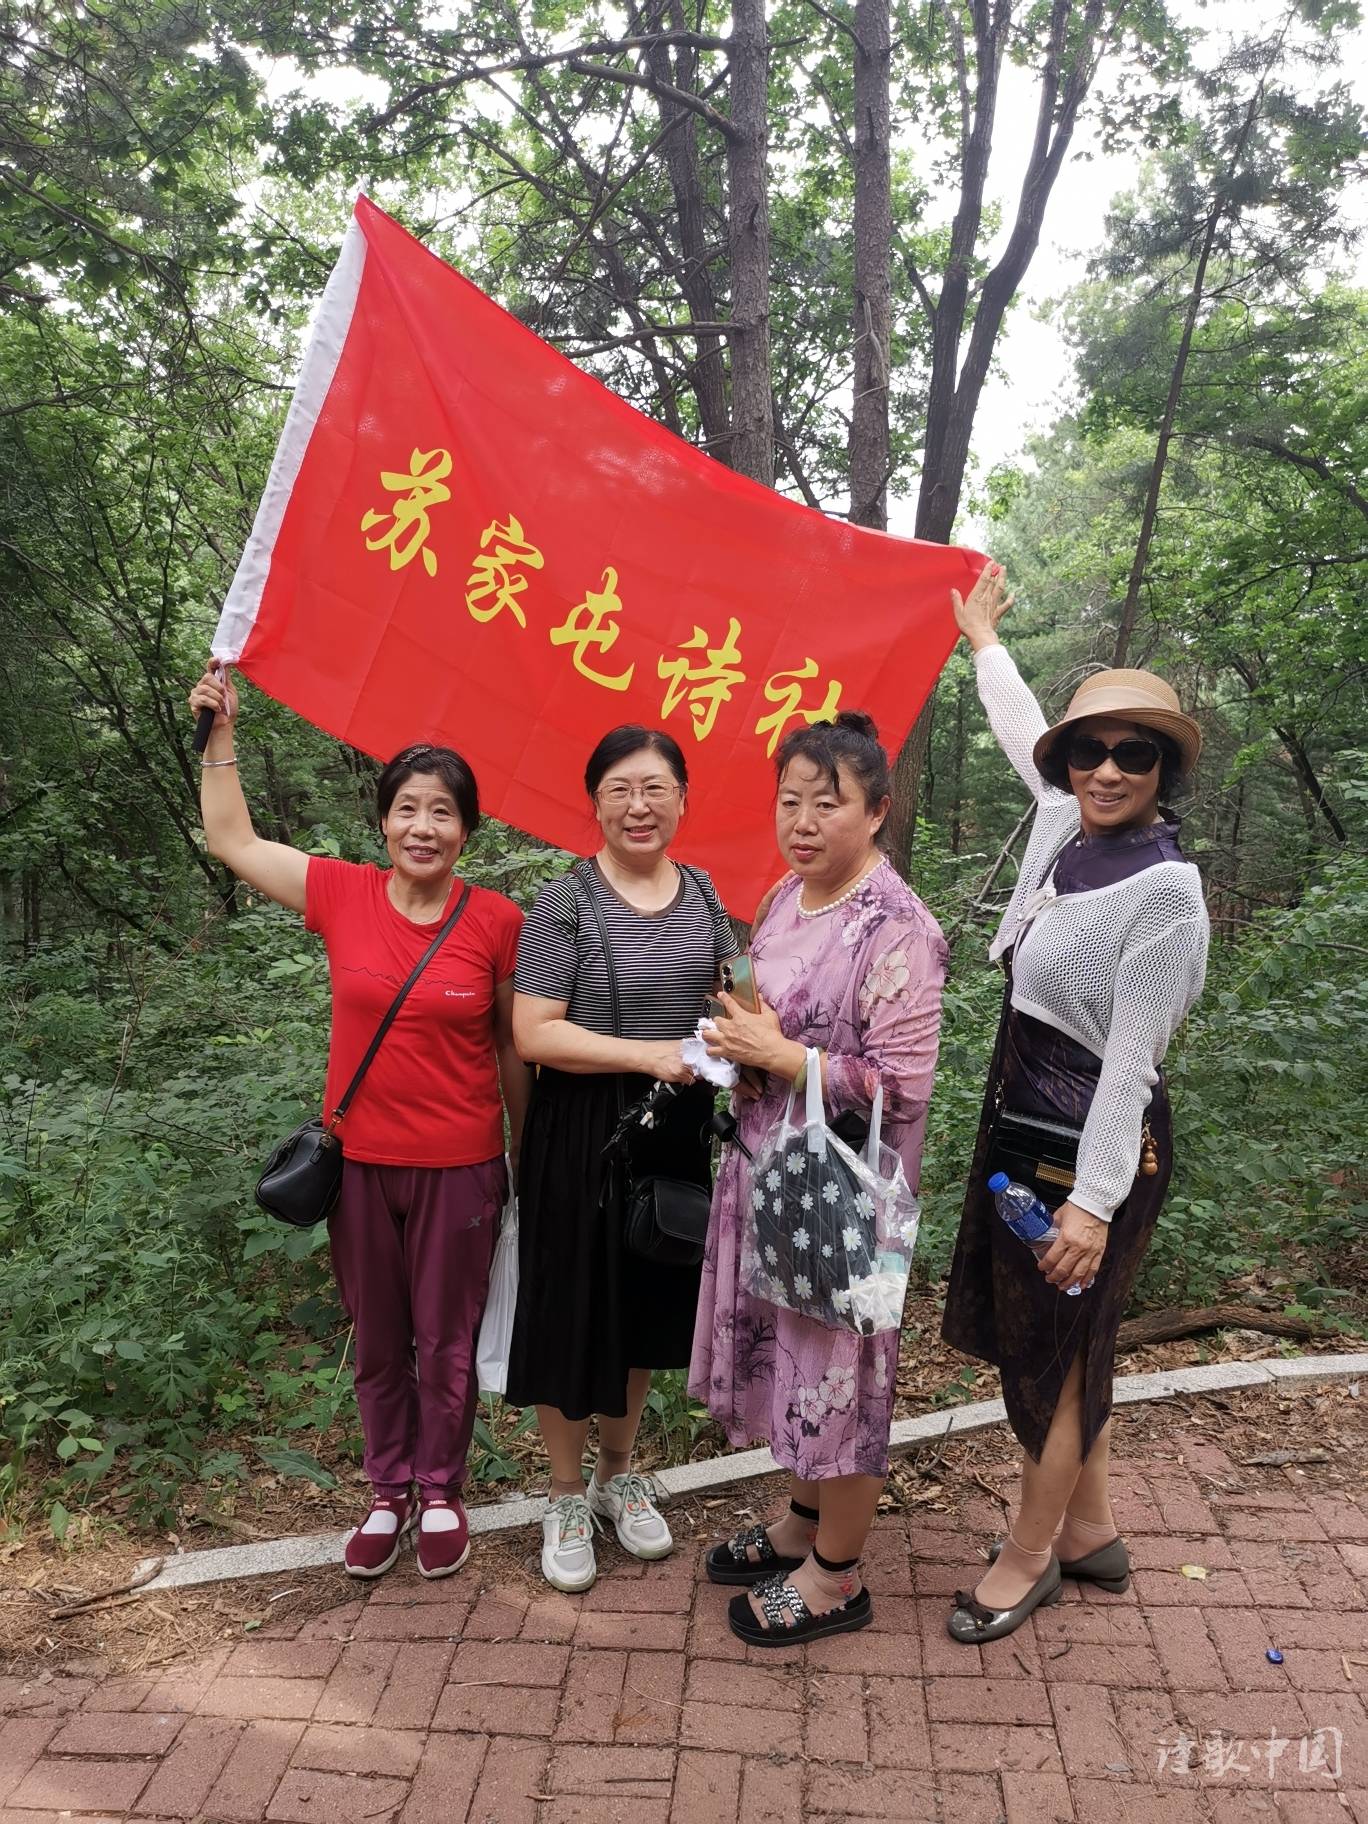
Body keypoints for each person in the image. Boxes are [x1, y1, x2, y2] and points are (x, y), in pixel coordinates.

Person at [187, 663, 528, 1581]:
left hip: (462, 1167)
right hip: (362, 1167)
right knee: (378, 1339)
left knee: (446, 1343)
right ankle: (388, 1493)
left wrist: (522, 1158)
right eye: (408, 808)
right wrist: (222, 734)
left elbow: (511, 1050)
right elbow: (231, 839)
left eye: (443, 812)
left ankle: (443, 1490)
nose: (424, 827)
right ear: (383, 821)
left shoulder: (498, 921)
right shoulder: (341, 894)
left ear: (467, 830)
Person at [939, 565, 1209, 1642]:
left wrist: (1092, 1207)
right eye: (1090, 749)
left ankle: (1029, 1555)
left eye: (1133, 753)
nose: (1106, 769)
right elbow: (1023, 732)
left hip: (1095, 1145)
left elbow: (1130, 1066)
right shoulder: (1065, 828)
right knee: (1064, 1344)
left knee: (1059, 1358)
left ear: (1163, 770)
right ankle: (1091, 1529)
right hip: (1024, 1121)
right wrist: (982, 643)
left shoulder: (1167, 894)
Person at [691, 711, 948, 1646]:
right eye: (789, 800)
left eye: (826, 804)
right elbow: (774, 1023)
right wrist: (741, 1044)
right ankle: (803, 1522)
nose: (801, 822)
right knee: (796, 1367)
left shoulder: (898, 928)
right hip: (773, 1175)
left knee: (841, 1376)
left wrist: (783, 1055)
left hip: (844, 1199)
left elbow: (904, 1087)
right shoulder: (786, 899)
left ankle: (837, 1576)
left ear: (876, 811)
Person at [509, 725, 739, 1593]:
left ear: (683, 798)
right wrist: (647, 1055)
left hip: (673, 1128)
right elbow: (534, 1032)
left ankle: (617, 1473)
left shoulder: (705, 892)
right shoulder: (563, 903)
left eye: (654, 789)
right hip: (582, 1128)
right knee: (573, 1304)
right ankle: (565, 1493)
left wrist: (751, 1029)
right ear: (595, 802)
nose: (638, 807)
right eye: (620, 790)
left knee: (644, 1304)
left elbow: (737, 992)